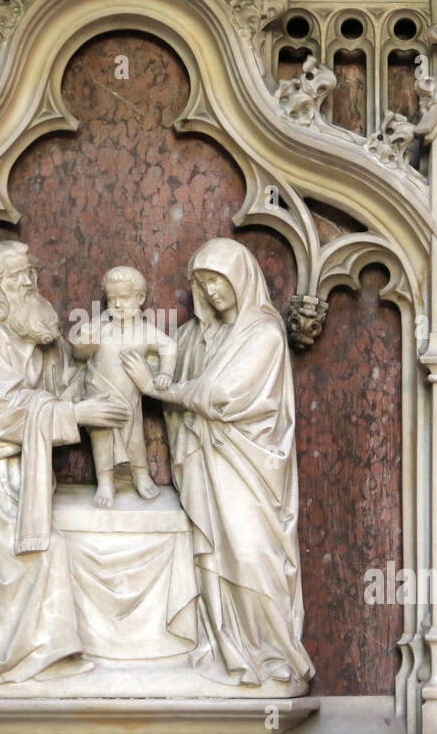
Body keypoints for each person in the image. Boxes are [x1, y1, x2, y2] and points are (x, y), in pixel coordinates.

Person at [0, 240, 128, 687]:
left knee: (48, 551)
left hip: (15, 474)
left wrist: (93, 362)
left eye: (32, 273)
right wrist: (75, 415)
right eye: (20, 276)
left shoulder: (32, 337)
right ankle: (7, 659)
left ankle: (41, 655)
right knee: (37, 555)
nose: (31, 282)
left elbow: (59, 387)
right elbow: (4, 410)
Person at [122, 238, 314, 687]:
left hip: (249, 471)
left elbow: (218, 396)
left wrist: (155, 389)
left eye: (218, 281)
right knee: (209, 557)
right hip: (204, 469)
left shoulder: (263, 333)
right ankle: (227, 649)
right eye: (202, 283)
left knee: (251, 556)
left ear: (242, 279)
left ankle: (274, 654)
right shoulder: (190, 337)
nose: (210, 292)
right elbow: (156, 362)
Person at [72, 266, 176, 507]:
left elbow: (169, 346)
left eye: (124, 298)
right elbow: (79, 353)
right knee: (102, 439)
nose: (118, 305)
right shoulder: (100, 326)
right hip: (101, 394)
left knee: (135, 439)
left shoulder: (144, 331)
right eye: (112, 299)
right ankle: (105, 482)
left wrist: (165, 373)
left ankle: (140, 474)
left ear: (140, 299)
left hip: (130, 398)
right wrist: (87, 341)